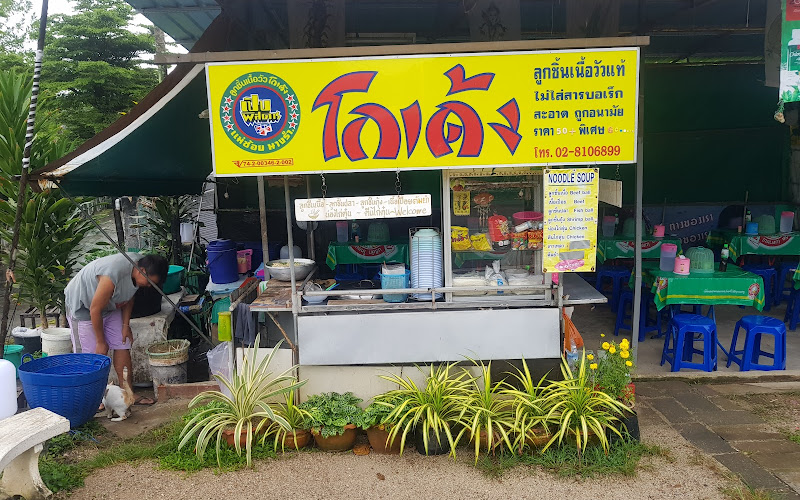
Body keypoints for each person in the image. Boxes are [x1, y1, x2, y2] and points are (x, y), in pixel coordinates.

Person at [65, 252, 169, 407]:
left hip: (111, 305)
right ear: (142, 271)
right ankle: (94, 399)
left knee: (122, 343)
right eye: (148, 283)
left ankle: (128, 393)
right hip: (84, 307)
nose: (148, 287)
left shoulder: (141, 266)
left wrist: (125, 326)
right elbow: (95, 309)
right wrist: (101, 341)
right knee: (92, 354)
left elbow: (129, 297)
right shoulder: (112, 275)